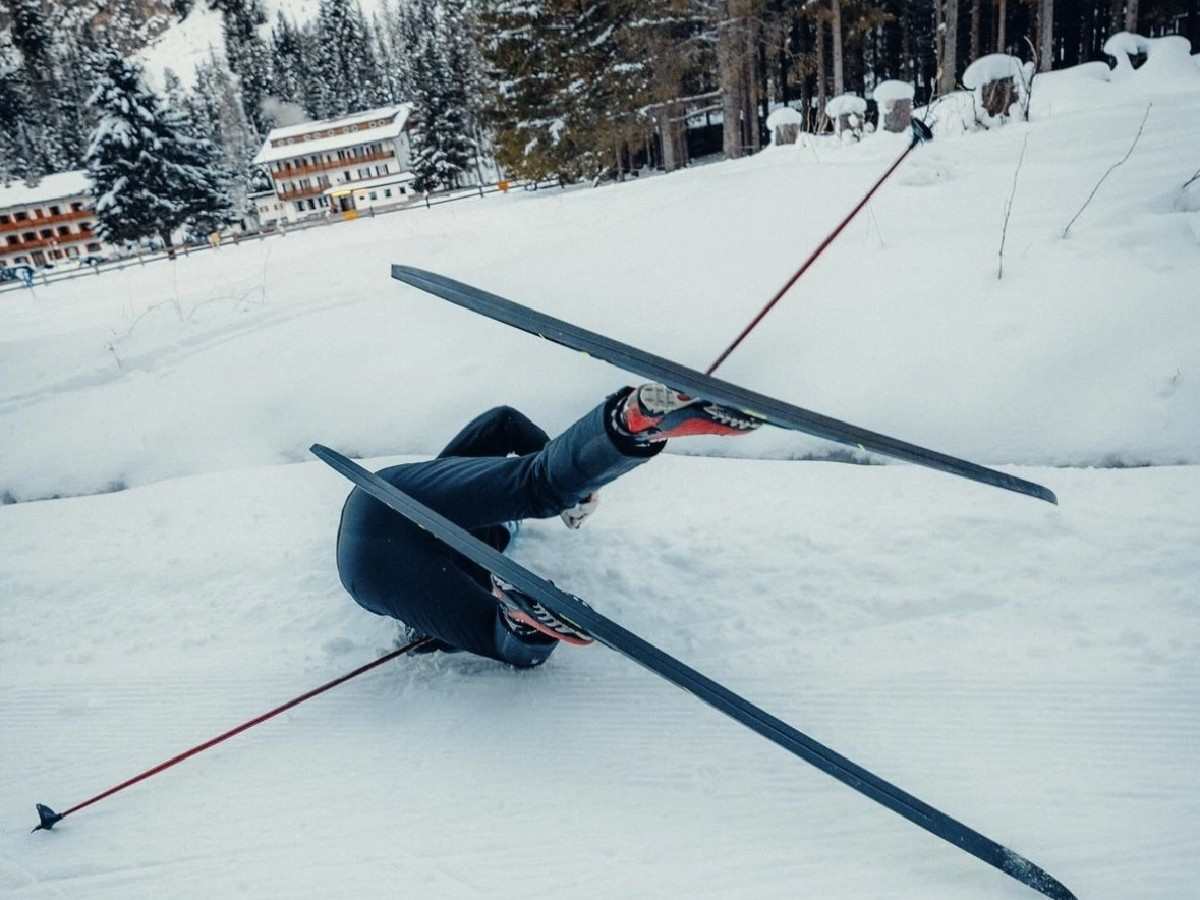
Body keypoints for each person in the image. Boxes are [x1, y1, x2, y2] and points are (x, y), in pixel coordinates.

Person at [336, 384, 760, 668]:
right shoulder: (466, 495)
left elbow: (501, 422)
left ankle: (634, 420)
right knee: (537, 484)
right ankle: (627, 422)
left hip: (375, 528)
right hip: (382, 525)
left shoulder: (467, 500)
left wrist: (572, 493)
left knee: (536, 491)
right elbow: (502, 423)